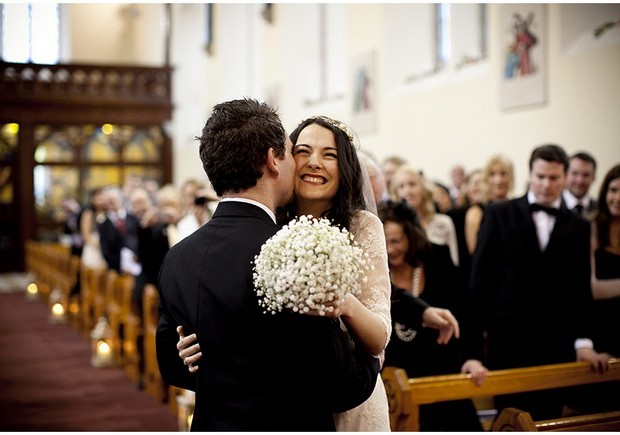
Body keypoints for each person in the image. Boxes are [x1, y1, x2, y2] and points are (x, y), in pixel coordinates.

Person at [156, 99, 380, 431]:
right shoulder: (290, 255)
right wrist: (372, 357)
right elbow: (342, 385)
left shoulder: (178, 256)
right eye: (291, 152)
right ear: (272, 160)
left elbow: (172, 366)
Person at [467, 143, 610, 421]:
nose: (546, 184)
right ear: (530, 175)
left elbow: (580, 289)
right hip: (507, 341)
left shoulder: (580, 225)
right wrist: (473, 350)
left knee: (549, 420)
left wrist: (583, 343)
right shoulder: (499, 212)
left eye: (554, 178)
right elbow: (479, 283)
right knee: (508, 420)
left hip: (556, 342)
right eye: (540, 176)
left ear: (565, 178)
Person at [378, 199, 487, 431]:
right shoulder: (376, 273)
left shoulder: (437, 259)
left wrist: (472, 356)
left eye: (396, 241)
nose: (389, 249)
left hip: (444, 381)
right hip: (397, 392)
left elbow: (467, 313)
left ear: (412, 234)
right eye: (384, 242)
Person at [566, 163, 620, 415]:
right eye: (613, 189)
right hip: (597, 329)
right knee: (595, 410)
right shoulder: (590, 227)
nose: (617, 198)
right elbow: (590, 288)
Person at [391, 165, 460, 267]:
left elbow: (454, 261)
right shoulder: (394, 228)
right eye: (401, 186)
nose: (407, 191)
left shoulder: (443, 222)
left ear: (423, 187)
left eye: (412, 184)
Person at [464, 154, 514, 255]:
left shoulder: (517, 209)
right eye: (492, 174)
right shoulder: (476, 212)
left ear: (510, 178)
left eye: (503, 174)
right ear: (486, 178)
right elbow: (475, 254)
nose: (498, 180)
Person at [563, 151, 598, 220]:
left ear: (594, 177)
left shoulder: (600, 210)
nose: (580, 180)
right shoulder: (553, 206)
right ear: (566, 174)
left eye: (586, 175)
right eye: (575, 173)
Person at [80, 187, 107, 270]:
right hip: (92, 247)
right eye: (96, 196)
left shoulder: (108, 213)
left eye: (101, 196)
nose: (99, 199)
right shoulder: (88, 214)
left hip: (105, 247)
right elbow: (85, 235)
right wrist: (96, 245)